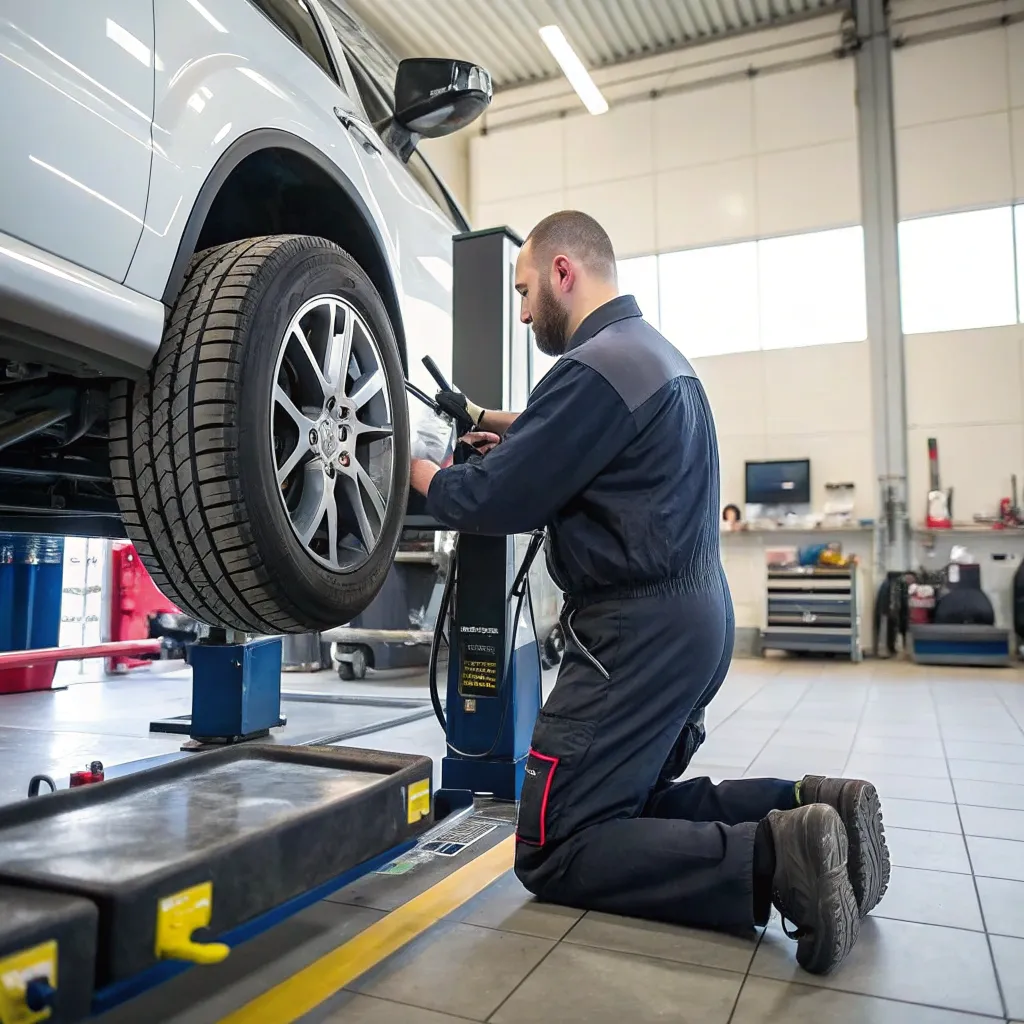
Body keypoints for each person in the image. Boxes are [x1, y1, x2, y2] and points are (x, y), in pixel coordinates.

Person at [409, 210, 889, 975]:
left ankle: (775, 858)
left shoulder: (592, 367)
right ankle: (808, 803)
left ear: (565, 271)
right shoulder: (655, 357)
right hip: (694, 618)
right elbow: (561, 437)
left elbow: (492, 502)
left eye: (527, 291)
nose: (525, 311)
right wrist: (498, 431)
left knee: (556, 844)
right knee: (618, 808)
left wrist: (410, 463)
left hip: (637, 633)